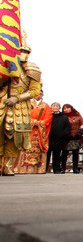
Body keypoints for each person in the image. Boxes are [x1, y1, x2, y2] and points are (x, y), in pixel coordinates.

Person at [0, 43, 42, 176]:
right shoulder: (4, 66)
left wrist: (17, 98)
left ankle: (8, 165)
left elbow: (35, 91)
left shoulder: (32, 69)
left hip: (20, 106)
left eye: (25, 51)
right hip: (2, 103)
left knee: (14, 137)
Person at [23, 94, 52, 174]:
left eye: (40, 93)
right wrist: (32, 122)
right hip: (29, 130)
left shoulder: (46, 106)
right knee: (26, 147)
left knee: (38, 148)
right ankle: (24, 169)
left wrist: (40, 123)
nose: (38, 95)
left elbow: (48, 117)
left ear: (42, 94)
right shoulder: (27, 104)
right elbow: (24, 115)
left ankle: (39, 169)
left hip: (40, 131)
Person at [48, 103, 70, 174]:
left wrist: (64, 134)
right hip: (49, 138)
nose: (55, 107)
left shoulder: (64, 117)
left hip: (59, 138)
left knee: (57, 155)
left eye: (57, 106)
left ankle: (56, 169)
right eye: (53, 106)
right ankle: (45, 169)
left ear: (59, 107)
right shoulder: (49, 116)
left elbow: (68, 127)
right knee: (47, 154)